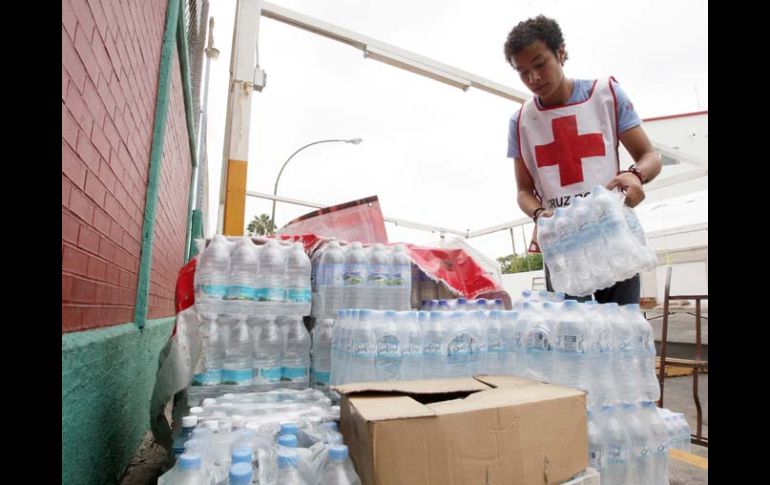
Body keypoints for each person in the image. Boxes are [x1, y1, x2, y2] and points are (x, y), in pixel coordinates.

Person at [503, 15, 661, 304]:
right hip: (563, 244)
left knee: (621, 331)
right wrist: (539, 215)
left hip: (611, 235)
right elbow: (524, 191)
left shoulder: (606, 94)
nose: (533, 78)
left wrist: (636, 175)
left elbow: (650, 156)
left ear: (560, 52)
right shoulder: (521, 121)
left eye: (540, 64)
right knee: (571, 338)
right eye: (523, 71)